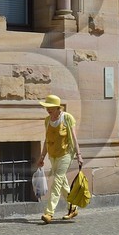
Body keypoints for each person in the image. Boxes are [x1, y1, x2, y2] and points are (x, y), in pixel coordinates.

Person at [35, 94, 83, 224]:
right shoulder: (47, 120)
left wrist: (78, 155)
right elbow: (47, 140)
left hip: (66, 154)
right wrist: (42, 156)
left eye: (50, 107)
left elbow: (74, 137)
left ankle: (49, 212)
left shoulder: (67, 118)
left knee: (57, 182)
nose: (47, 109)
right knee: (62, 184)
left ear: (57, 107)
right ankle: (73, 207)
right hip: (53, 155)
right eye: (46, 107)